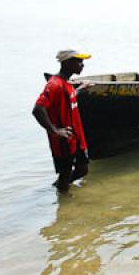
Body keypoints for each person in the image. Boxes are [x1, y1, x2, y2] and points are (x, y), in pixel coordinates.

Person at [32, 49, 92, 192]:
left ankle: (60, 185)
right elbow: (38, 109)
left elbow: (67, 99)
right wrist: (55, 130)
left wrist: (80, 89)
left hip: (76, 138)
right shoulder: (54, 84)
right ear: (67, 63)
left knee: (83, 170)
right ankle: (63, 193)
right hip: (63, 141)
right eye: (79, 62)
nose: (82, 65)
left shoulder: (67, 83)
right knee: (65, 171)